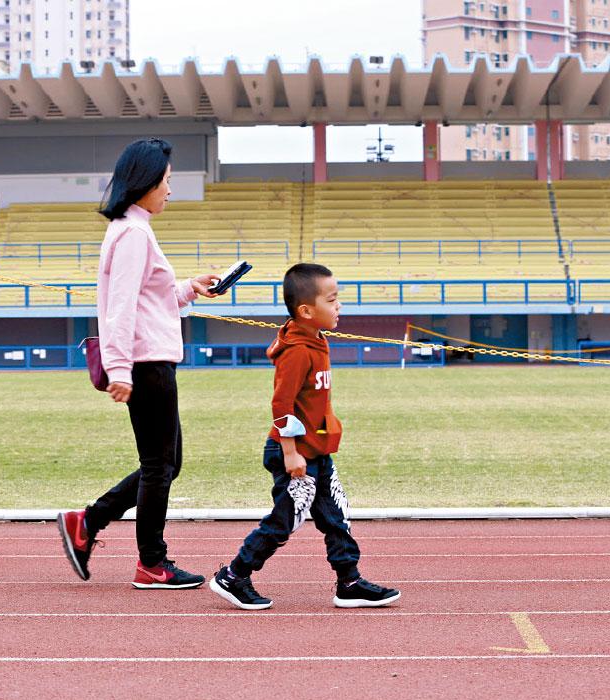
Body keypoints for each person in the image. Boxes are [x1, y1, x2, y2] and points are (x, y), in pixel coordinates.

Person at [57, 138, 220, 589]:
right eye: (166, 180)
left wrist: (188, 288)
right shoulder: (132, 233)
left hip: (150, 360)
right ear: (146, 182)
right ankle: (151, 562)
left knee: (166, 464)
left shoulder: (134, 229)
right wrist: (120, 369)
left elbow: (150, 299)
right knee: (158, 466)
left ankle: (88, 522)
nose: (170, 189)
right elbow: (121, 307)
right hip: (146, 363)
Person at [208, 263, 402, 610]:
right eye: (332, 299)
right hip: (294, 452)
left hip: (317, 450)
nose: (339, 305)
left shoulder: (315, 338)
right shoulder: (297, 350)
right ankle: (234, 575)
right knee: (284, 520)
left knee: (336, 517)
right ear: (306, 311)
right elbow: (281, 404)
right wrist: (290, 452)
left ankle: (349, 582)